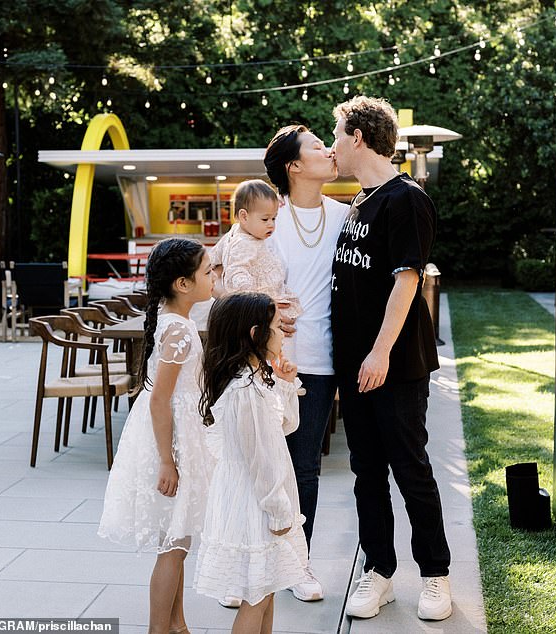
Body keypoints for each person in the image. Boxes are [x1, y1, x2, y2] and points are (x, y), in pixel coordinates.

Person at [330, 95, 452, 621]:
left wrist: (379, 352)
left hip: (394, 366)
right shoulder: (360, 198)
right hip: (355, 366)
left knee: (410, 469)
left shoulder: (406, 198)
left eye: (336, 135)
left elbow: (408, 281)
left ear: (358, 136)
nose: (332, 146)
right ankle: (379, 571)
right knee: (366, 472)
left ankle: (436, 576)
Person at [98, 238, 215, 634]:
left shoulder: (172, 320)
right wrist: (169, 460)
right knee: (175, 545)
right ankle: (158, 629)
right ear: (183, 284)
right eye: (207, 271)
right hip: (175, 440)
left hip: (177, 433)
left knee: (176, 540)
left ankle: (177, 623)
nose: (214, 276)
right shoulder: (179, 330)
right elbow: (160, 399)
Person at [262, 124, 348, 601]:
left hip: (321, 361)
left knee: (304, 466)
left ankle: (299, 564)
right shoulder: (267, 218)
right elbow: (237, 276)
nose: (328, 150)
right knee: (258, 463)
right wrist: (268, 311)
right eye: (317, 146)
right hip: (268, 362)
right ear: (294, 166)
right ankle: (253, 562)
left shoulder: (348, 215)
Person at [194, 292, 308, 634]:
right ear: (256, 334)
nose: (284, 332)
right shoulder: (246, 390)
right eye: (277, 326)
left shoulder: (257, 380)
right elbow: (261, 459)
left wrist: (286, 385)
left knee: (268, 590)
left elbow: (285, 427)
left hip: (260, 496)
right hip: (256, 503)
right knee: (256, 596)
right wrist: (278, 509)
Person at [210, 179, 302, 359]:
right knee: (275, 352)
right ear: (244, 216)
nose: (271, 225)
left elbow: (213, 258)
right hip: (261, 308)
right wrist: (260, 303)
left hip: (266, 304)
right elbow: (237, 276)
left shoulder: (234, 233)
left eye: (274, 218)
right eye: (265, 219)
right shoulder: (244, 244)